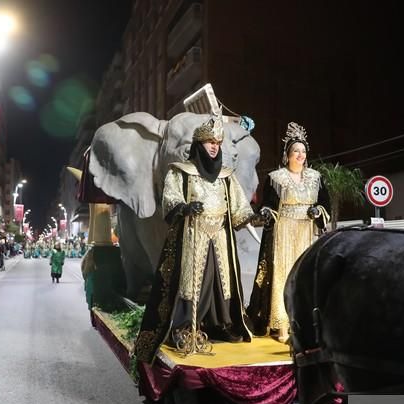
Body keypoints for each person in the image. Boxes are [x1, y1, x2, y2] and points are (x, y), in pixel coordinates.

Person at [135, 112, 255, 363]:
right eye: (209, 142)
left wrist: (254, 218)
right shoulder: (181, 172)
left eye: (217, 143)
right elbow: (171, 199)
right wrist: (185, 208)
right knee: (193, 279)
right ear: (199, 144)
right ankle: (184, 327)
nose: (214, 147)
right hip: (193, 235)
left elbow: (239, 207)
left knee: (221, 280)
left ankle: (220, 323)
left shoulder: (227, 176)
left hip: (220, 236)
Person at [246, 122, 330, 342]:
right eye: (296, 151)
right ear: (288, 154)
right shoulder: (276, 178)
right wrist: (265, 213)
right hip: (283, 234)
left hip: (307, 234)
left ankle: (304, 322)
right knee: (283, 276)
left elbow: (325, 205)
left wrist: (317, 211)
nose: (300, 155)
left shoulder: (316, 177)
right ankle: (281, 324)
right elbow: (269, 205)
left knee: (305, 277)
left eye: (303, 151)